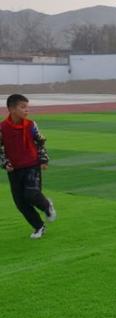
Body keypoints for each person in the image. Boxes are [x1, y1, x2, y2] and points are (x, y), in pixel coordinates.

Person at [0, 94, 55, 239]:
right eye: (23, 107)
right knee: (20, 203)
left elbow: (40, 142)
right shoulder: (2, 128)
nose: (27, 110)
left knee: (31, 195)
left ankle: (47, 206)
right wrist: (4, 162)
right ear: (12, 109)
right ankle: (39, 227)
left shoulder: (31, 125)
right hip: (14, 170)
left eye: (27, 107)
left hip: (32, 166)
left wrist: (43, 159)